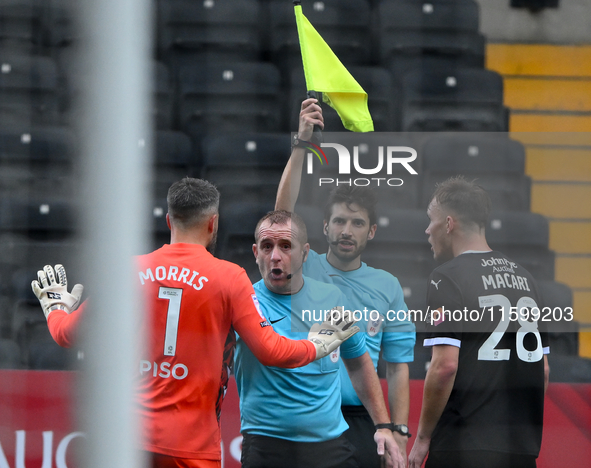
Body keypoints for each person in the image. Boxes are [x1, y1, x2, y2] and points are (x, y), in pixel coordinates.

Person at [31, 177, 359, 468]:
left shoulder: (129, 270)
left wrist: (58, 308)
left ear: (169, 219)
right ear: (213, 223)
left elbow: (66, 335)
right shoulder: (229, 278)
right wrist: (319, 344)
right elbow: (272, 351)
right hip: (191, 447)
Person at [275, 98, 416, 467]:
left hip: (362, 422)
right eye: (338, 221)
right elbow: (282, 215)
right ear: (324, 227)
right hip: (307, 417)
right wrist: (303, 144)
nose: (346, 231)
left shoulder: (387, 286)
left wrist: (398, 429)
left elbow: (398, 365)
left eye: (356, 223)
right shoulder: (305, 267)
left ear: (371, 231)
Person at [234, 210, 405, 468]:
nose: (275, 256)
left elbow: (358, 362)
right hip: (267, 446)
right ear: (256, 252)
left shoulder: (332, 298)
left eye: (286, 246)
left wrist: (382, 425)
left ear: (304, 253)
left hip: (330, 447)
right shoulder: (242, 301)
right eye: (267, 247)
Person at [408, 177, 550, 468]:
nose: (427, 230)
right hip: (520, 449)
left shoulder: (446, 276)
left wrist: (422, 439)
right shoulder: (527, 279)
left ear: (448, 224)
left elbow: (445, 366)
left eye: (430, 221)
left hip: (462, 447)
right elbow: (543, 370)